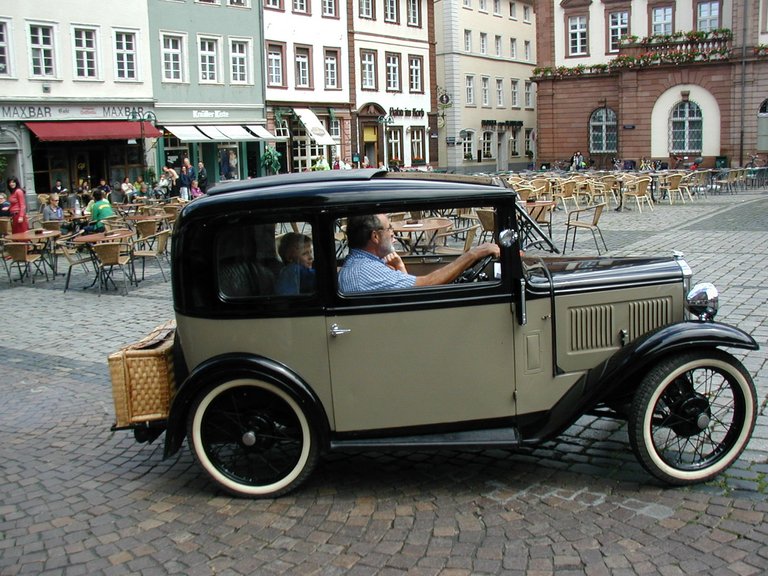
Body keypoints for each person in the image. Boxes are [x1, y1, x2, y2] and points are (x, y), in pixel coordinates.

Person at [338, 213, 499, 293]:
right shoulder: (366, 272)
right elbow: (426, 284)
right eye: (389, 228)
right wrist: (473, 254)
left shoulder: (362, 265)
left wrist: (400, 266)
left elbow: (410, 293)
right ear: (375, 236)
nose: (393, 233)